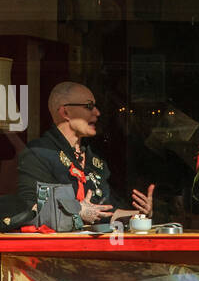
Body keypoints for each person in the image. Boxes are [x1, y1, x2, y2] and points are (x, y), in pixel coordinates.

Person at [11, 81, 154, 226]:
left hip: (93, 246)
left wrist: (139, 215)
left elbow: (106, 212)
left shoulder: (94, 160)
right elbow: (30, 209)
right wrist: (77, 211)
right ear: (65, 112)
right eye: (89, 106)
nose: (97, 113)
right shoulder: (39, 154)